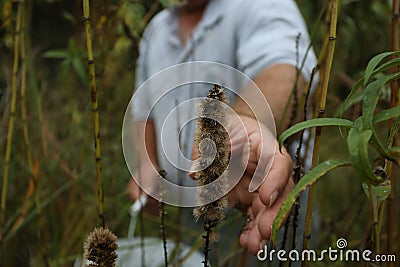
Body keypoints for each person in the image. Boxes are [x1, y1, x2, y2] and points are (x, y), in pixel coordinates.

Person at [127, 0, 317, 262]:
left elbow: (287, 71)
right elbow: (143, 109)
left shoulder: (261, 5)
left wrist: (244, 121)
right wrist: (147, 167)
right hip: (190, 208)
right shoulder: (156, 30)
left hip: (260, 203)